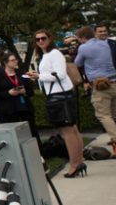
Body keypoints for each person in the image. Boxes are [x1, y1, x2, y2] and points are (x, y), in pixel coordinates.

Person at [27, 29, 86, 178]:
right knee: (72, 129)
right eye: (38, 39)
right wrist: (39, 77)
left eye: (43, 38)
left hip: (60, 95)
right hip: (60, 94)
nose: (40, 41)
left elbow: (60, 74)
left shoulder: (54, 54)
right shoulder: (46, 55)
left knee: (68, 131)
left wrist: (39, 76)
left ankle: (74, 164)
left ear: (50, 38)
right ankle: (79, 161)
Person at [74, 25, 116, 157]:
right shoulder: (105, 44)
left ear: (83, 38)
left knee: (103, 114)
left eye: (78, 39)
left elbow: (77, 63)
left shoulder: (84, 47)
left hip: (101, 85)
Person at [0, 52, 39, 140]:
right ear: (6, 62)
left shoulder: (22, 74)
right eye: (13, 60)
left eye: (16, 59)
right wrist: (8, 93)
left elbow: (31, 92)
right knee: (16, 136)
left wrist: (25, 92)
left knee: (32, 133)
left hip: (25, 109)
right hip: (9, 111)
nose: (16, 62)